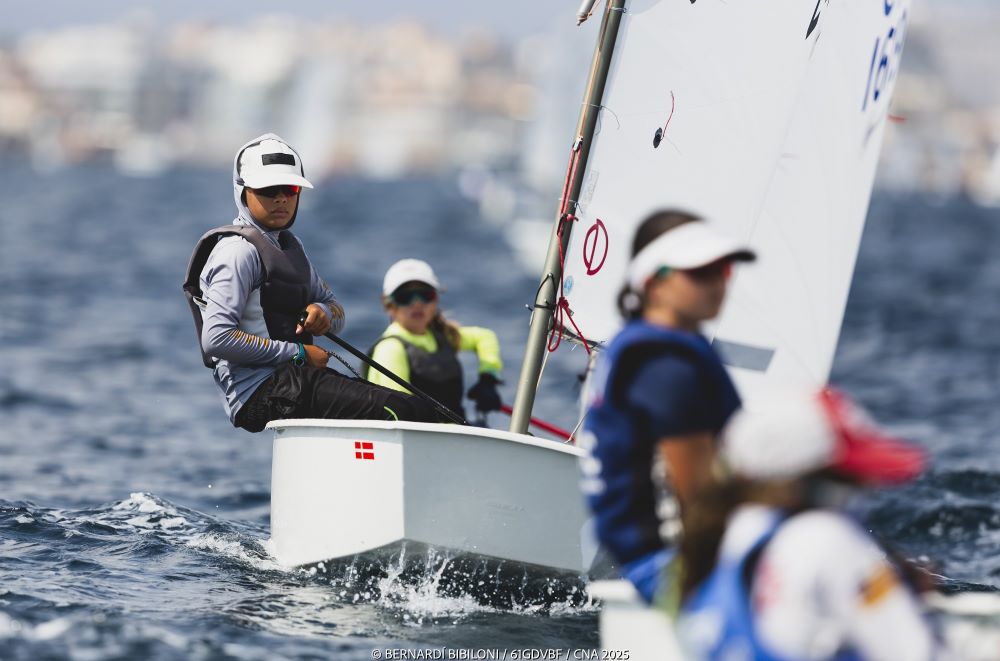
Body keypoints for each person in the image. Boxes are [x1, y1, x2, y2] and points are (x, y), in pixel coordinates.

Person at [182, 133, 438, 432]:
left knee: (416, 407)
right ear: (243, 191)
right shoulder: (237, 253)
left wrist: (322, 313)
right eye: (268, 189)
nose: (281, 198)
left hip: (293, 382)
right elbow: (217, 339)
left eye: (290, 189)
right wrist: (299, 353)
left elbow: (336, 312)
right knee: (402, 410)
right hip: (259, 393)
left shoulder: (292, 247)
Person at [678, 387, 946, 661]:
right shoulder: (829, 538)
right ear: (819, 483)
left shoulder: (737, 530)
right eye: (851, 479)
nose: (868, 487)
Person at [579, 209, 756, 604]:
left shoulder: (649, 346)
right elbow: (698, 498)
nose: (717, 284)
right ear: (653, 283)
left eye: (723, 271)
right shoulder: (663, 367)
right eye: (700, 273)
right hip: (674, 570)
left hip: (658, 560)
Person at [366, 258, 503, 419]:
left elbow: (485, 337)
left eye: (425, 295)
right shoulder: (390, 350)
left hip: (456, 437)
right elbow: (397, 416)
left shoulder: (443, 336)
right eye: (405, 297)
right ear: (389, 305)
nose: (417, 303)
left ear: (436, 300)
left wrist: (488, 378)